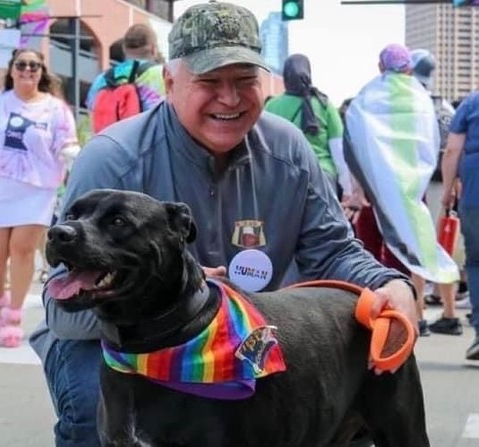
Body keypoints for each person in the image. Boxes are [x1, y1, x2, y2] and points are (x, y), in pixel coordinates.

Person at [30, 4, 419, 446]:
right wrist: (179, 300)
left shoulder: (288, 150)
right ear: (171, 82)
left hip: (246, 339)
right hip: (116, 336)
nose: (230, 98)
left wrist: (392, 283)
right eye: (210, 82)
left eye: (244, 81)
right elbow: (62, 306)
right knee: (90, 398)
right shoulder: (114, 158)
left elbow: (331, 249)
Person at [345, 43, 461, 337]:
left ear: (381, 67)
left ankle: (379, 312)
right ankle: (415, 313)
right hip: (413, 187)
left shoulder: (368, 98)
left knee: (371, 248)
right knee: (416, 248)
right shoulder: (424, 99)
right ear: (408, 67)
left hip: (377, 188)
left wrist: (359, 188)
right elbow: (434, 142)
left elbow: (355, 144)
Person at [0, 49, 79, 347]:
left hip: (38, 186)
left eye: (34, 65)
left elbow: (68, 142)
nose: (28, 70)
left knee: (22, 248)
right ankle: (0, 299)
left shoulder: (56, 109)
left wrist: (74, 156)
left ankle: (14, 317)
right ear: (12, 70)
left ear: (42, 71)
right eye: (22, 65)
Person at [265, 54, 352, 201]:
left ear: (285, 77)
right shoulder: (325, 105)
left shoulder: (271, 106)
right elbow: (339, 151)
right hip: (322, 177)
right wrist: (347, 190)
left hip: (283, 179)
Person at [441, 90, 479, 360]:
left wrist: (447, 191)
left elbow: (453, 149)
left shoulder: (472, 103)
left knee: (476, 263)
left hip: (475, 193)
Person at [86, 22, 165, 117]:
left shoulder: (102, 79)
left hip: (110, 131)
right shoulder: (162, 75)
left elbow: (92, 113)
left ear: (124, 48)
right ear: (153, 49)